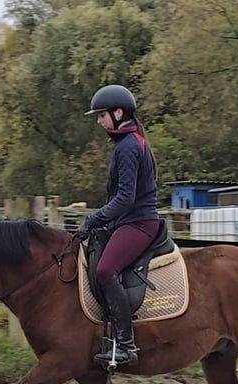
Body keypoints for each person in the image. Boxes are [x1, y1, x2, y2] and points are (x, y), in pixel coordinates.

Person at [73, 84, 160, 366]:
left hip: (138, 223)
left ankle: (126, 345)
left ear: (118, 113)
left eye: (101, 115)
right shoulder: (127, 143)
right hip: (128, 220)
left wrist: (94, 219)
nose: (99, 121)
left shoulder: (128, 147)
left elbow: (125, 198)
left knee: (105, 269)